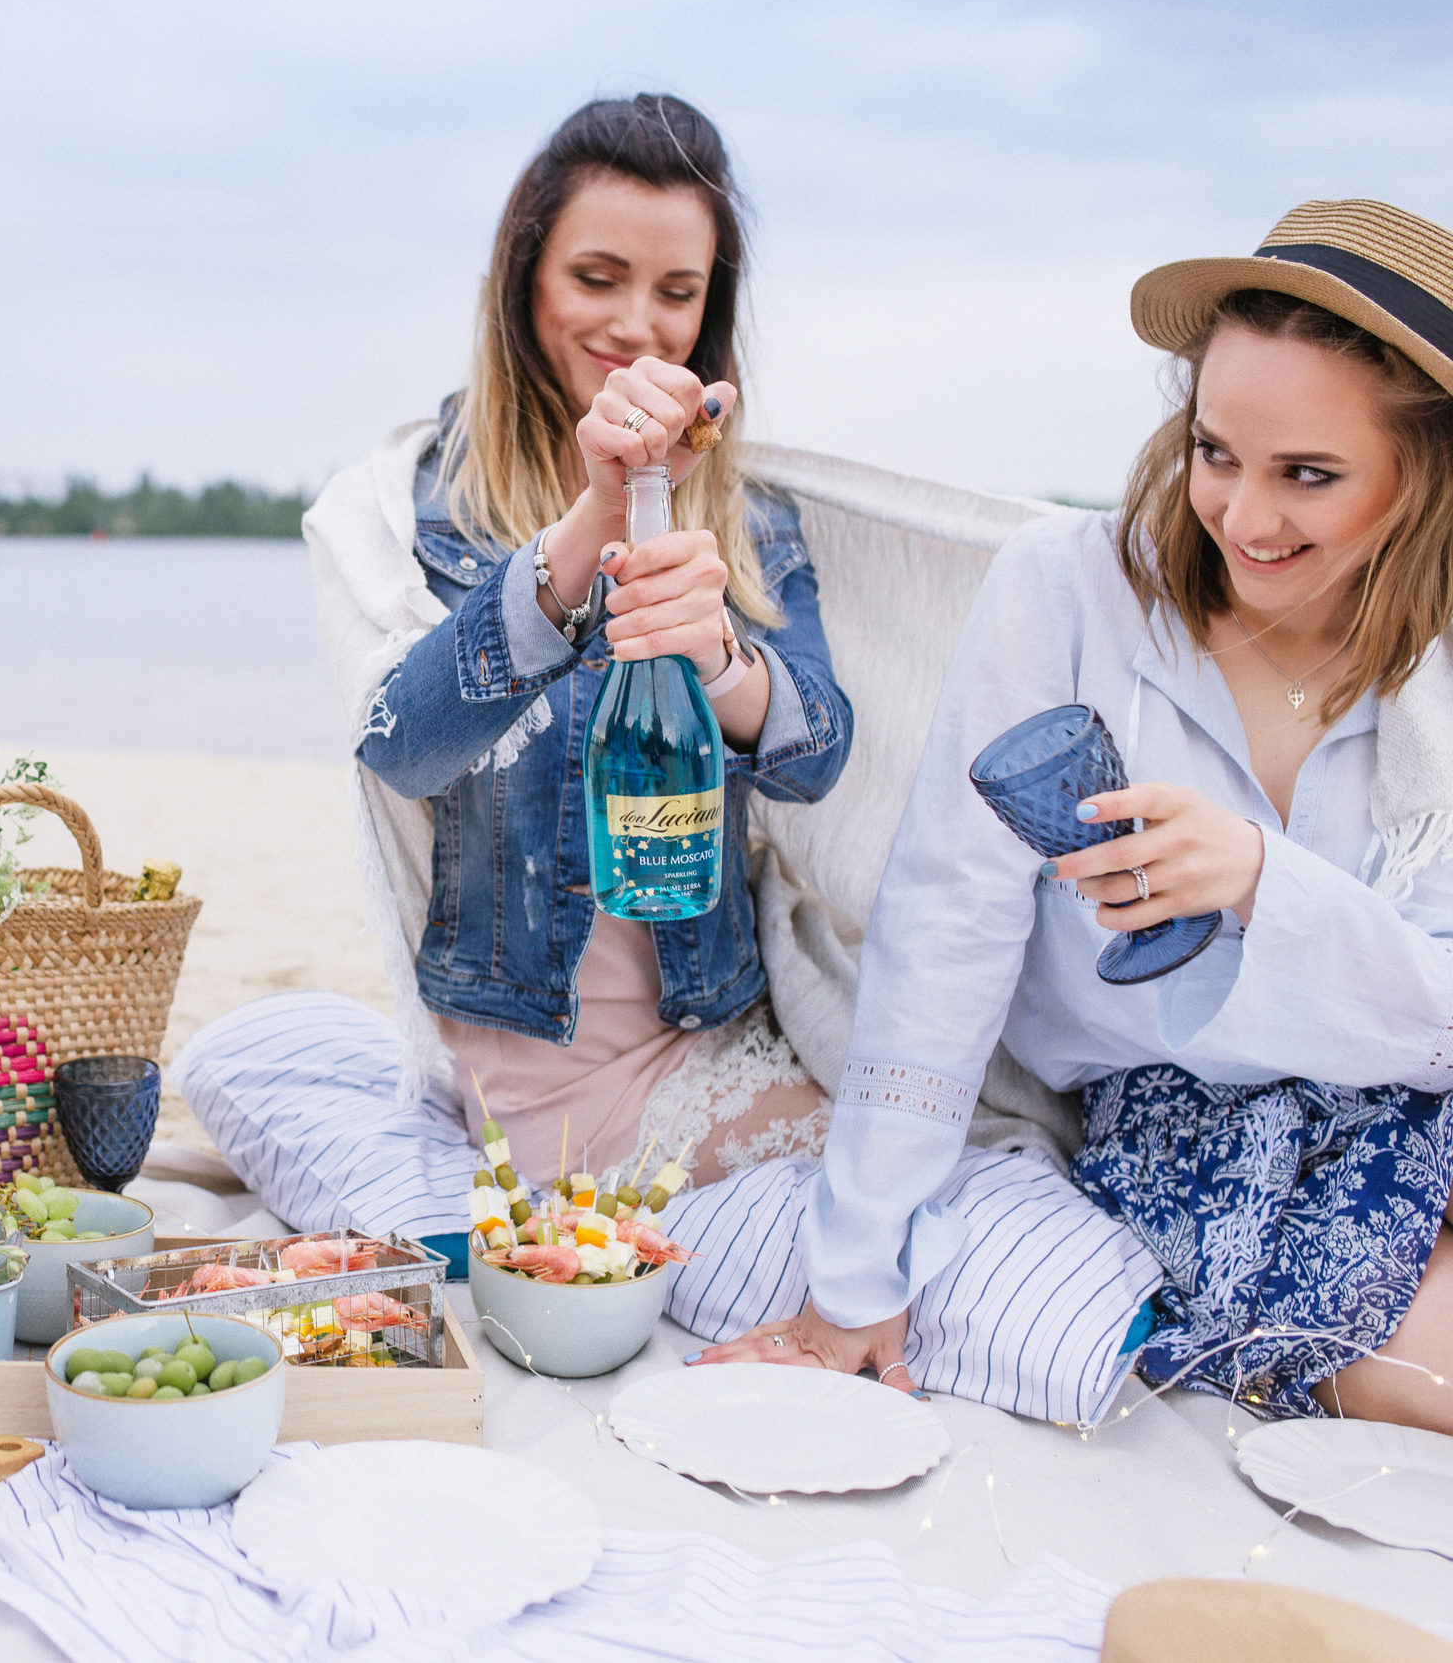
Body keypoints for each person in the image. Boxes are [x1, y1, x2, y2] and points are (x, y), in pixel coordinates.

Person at [701, 200, 1453, 1433]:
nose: (1246, 519)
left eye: (1308, 475)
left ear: (1420, 480)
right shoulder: (1066, 592)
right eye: (1217, 452)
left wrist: (1263, 878)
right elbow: (948, 919)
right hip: (1211, 1139)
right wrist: (852, 1281)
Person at [175, 96, 851, 1256]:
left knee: (893, 1219)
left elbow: (818, 754)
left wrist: (720, 654)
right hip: (490, 1064)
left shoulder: (746, 511)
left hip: (696, 1046)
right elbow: (401, 740)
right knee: (230, 1055)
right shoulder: (412, 501)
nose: (639, 324)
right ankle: (521, 1216)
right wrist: (593, 516)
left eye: (677, 293)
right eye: (598, 275)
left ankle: (510, 1228)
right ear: (523, 280)